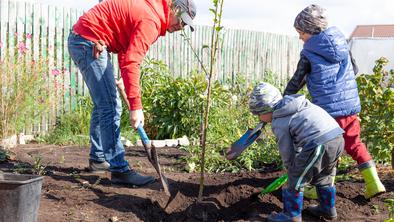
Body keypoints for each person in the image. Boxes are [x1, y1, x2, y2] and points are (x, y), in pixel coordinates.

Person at [67, 0, 196, 186]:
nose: (180, 27)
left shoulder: (153, 12)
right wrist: (136, 106)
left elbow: (126, 51)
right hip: (88, 41)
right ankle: (119, 170)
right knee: (110, 106)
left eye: (185, 25)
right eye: (181, 20)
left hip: (89, 39)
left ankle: (98, 158)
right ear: (173, 9)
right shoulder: (151, 21)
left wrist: (124, 79)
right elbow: (132, 62)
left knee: (105, 103)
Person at [284, 4, 385, 199]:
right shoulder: (343, 46)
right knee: (354, 143)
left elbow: (297, 80)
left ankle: (318, 188)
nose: (300, 37)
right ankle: (374, 183)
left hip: (328, 112)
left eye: (301, 33)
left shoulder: (308, 53)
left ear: (310, 30)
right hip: (349, 107)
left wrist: (284, 98)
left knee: (327, 150)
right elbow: (353, 70)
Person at [248, 82, 344, 221]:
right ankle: (328, 209)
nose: (259, 119)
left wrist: (291, 168)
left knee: (296, 178)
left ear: (266, 110)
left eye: (258, 114)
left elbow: (286, 150)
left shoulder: (279, 121)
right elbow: (304, 134)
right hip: (337, 137)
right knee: (325, 175)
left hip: (319, 143)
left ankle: (291, 215)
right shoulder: (297, 104)